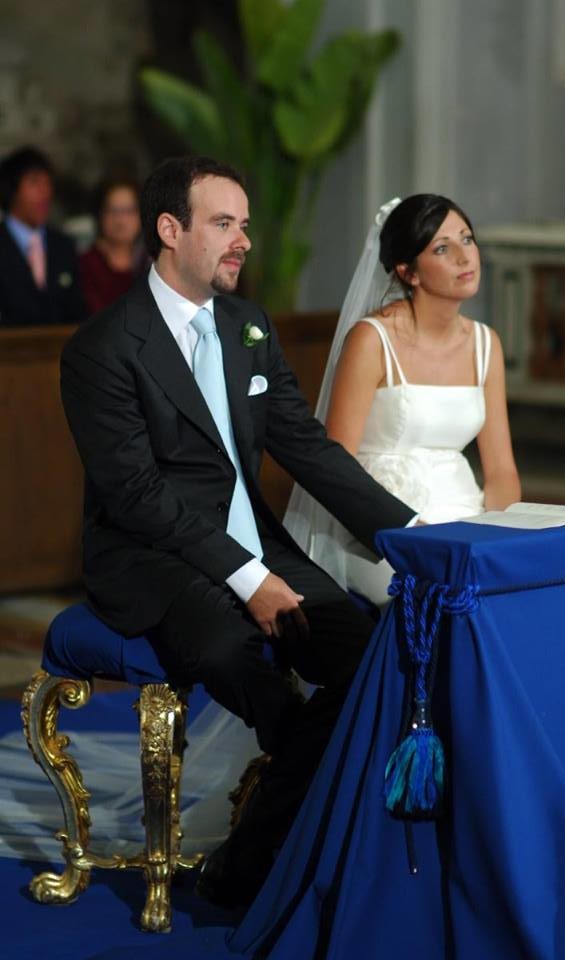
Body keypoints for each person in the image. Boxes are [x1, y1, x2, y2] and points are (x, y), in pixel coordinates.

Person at [59, 156, 417, 909]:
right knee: (232, 654)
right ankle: (282, 847)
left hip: (253, 541)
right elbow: (137, 495)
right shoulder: (103, 347)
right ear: (170, 230)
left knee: (369, 657)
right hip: (153, 556)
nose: (243, 241)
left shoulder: (247, 326)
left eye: (244, 225)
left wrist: (413, 534)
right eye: (223, 224)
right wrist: (250, 580)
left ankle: (253, 852)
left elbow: (309, 449)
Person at [285, 194, 520, 606]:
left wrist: (498, 536)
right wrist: (408, 532)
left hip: (467, 516)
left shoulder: (487, 343)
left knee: (513, 588)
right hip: (380, 529)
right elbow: (337, 466)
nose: (465, 256)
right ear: (407, 271)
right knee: (442, 595)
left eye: (467, 239)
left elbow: (501, 470)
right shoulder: (372, 340)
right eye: (442, 248)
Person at [0, 146, 85, 326]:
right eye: (34, 183)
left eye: (47, 183)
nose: (45, 192)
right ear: (11, 189)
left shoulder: (64, 246)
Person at [80, 175, 146, 314]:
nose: (120, 220)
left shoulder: (151, 261)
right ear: (100, 215)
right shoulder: (86, 264)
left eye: (129, 211)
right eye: (113, 210)